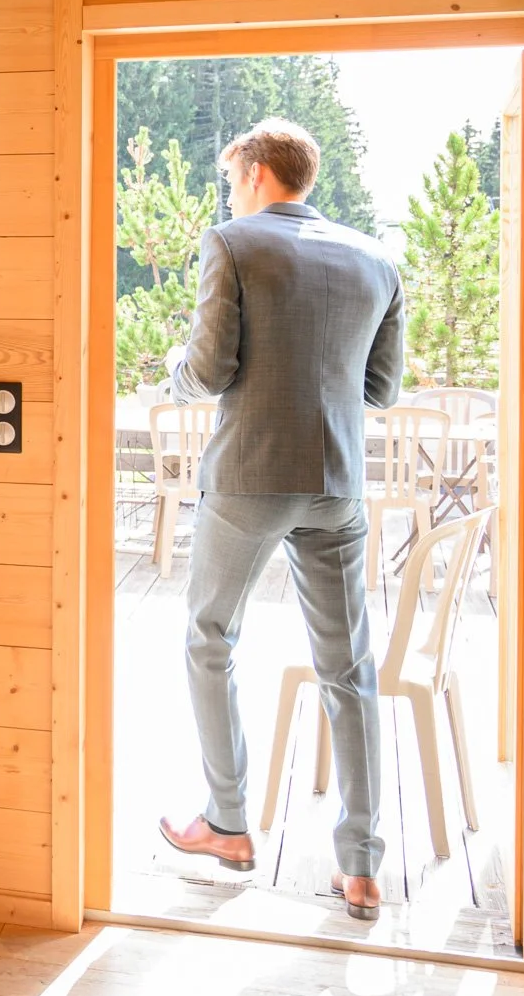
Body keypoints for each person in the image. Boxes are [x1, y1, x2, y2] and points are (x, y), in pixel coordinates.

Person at [157, 118, 405, 921]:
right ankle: (361, 865)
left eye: (235, 178)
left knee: (209, 638)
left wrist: (169, 374)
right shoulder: (377, 258)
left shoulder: (234, 243)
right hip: (336, 483)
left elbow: (207, 369)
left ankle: (228, 824)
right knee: (350, 666)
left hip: (251, 477)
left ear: (259, 173)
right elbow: (381, 391)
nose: (233, 194)